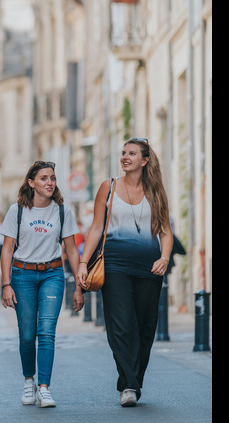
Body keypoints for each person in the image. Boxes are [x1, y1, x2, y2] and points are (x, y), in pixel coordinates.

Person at [77, 138, 173, 408]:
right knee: (121, 325)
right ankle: (128, 385)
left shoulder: (155, 191)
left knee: (145, 326)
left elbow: (165, 230)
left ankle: (135, 378)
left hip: (149, 267)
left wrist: (164, 258)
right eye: (123, 152)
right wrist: (84, 263)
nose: (125, 157)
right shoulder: (108, 187)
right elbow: (96, 227)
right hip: (115, 265)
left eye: (132, 153)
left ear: (144, 160)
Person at [0, 161, 84, 408]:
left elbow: (71, 250)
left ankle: (44, 388)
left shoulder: (62, 211)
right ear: (31, 183)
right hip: (22, 275)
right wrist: (6, 284)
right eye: (44, 178)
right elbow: (7, 250)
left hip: (52, 274)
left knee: (46, 332)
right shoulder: (16, 211)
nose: (50, 183)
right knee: (27, 335)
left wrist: (79, 287)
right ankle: (29, 381)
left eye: (53, 178)